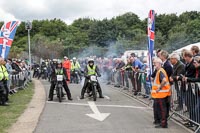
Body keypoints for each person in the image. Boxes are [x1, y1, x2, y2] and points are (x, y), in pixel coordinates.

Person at [151, 57, 170, 128]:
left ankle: (163, 124)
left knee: (162, 110)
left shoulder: (161, 71)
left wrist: (159, 88)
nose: (154, 65)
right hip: (159, 94)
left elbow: (164, 80)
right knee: (159, 109)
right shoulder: (159, 71)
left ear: (159, 64)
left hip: (162, 94)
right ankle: (160, 122)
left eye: (154, 63)